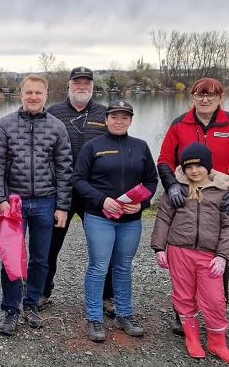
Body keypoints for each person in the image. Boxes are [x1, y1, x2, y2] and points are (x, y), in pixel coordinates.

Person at [156, 77, 229, 334]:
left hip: (222, 198)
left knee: (217, 258)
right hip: (186, 197)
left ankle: (215, 313)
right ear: (192, 97)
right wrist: (171, 186)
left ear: (220, 98)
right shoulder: (180, 124)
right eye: (200, 94)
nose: (205, 99)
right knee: (185, 258)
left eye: (211, 95)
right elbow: (165, 159)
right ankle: (184, 315)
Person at [0, 74, 73, 336]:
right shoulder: (5, 125)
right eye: (29, 92)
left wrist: (62, 206)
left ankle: (32, 303)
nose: (34, 97)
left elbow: (64, 168)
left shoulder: (57, 127)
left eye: (39, 92)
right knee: (12, 258)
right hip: (14, 202)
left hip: (46, 202)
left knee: (40, 257)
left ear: (46, 95)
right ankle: (11, 308)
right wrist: (0, 200)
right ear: (21, 94)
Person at [71, 100, 157, 342]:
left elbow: (151, 180)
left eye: (124, 117)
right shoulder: (93, 146)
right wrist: (101, 200)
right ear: (106, 119)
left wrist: (143, 203)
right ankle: (95, 318)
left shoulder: (140, 147)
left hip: (131, 219)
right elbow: (78, 180)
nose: (119, 121)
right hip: (100, 218)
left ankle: (124, 314)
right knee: (99, 267)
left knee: (123, 266)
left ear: (130, 120)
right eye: (114, 117)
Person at [151, 143, 229, 364]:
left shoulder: (223, 192)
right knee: (183, 296)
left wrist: (223, 256)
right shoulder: (177, 190)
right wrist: (159, 248)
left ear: (208, 167)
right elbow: (163, 219)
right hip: (179, 251)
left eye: (199, 166)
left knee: (214, 299)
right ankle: (192, 338)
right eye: (189, 166)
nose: (194, 171)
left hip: (209, 255)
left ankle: (217, 343)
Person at [43, 66, 109, 311]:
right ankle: (42, 291)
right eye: (77, 83)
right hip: (60, 192)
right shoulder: (53, 112)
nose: (82, 87)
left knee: (103, 247)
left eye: (86, 83)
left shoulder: (105, 113)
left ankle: (107, 295)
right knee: (50, 245)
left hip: (95, 192)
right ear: (68, 86)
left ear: (92, 86)